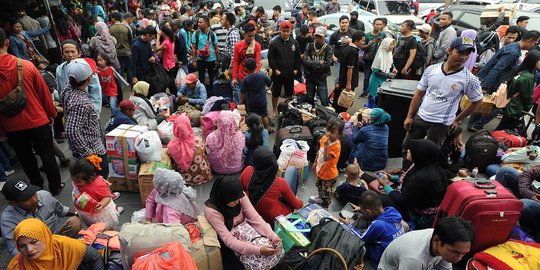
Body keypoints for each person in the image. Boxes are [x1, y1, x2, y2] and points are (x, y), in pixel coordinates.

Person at [402, 37, 482, 168]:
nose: (463, 57)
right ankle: (404, 175)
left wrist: (457, 120)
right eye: (460, 52)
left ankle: (420, 179)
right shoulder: (431, 69)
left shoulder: (469, 78)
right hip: (420, 117)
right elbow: (419, 93)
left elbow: (477, 102)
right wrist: (410, 116)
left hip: (441, 124)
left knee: (431, 155)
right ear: (450, 50)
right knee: (408, 147)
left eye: (467, 54)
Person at [0, 29, 62, 195]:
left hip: (11, 125)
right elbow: (44, 94)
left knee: (26, 158)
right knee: (47, 155)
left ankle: (36, 186)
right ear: (7, 42)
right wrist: (51, 113)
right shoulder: (26, 66)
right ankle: (55, 186)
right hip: (37, 120)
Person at [468, 30, 540, 131]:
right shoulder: (513, 52)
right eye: (534, 43)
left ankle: (472, 125)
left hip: (492, 80)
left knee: (483, 103)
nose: (533, 45)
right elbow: (497, 69)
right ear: (529, 41)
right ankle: (476, 125)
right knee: (497, 107)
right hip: (493, 82)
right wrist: (485, 86)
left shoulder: (513, 47)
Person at [205, 176, 283, 269]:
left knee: (274, 250)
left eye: (238, 199)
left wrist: (273, 236)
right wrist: (258, 250)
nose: (237, 202)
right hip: (231, 242)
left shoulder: (239, 196)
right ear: (224, 198)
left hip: (247, 232)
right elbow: (229, 240)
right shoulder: (212, 211)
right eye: (234, 201)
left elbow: (256, 219)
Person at [1, 178, 82, 256]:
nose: (34, 200)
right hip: (34, 249)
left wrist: (81, 214)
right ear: (13, 203)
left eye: (33, 194)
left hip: (57, 238)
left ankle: (63, 249)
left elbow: (61, 210)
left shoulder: (45, 196)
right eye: (26, 199)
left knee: (75, 222)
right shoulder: (8, 220)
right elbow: (14, 249)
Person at [381, 139, 448, 229]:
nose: (408, 150)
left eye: (412, 149)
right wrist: (392, 178)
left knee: (378, 198)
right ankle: (361, 173)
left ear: (420, 154)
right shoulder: (427, 166)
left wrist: (386, 186)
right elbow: (406, 178)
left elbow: (404, 201)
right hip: (416, 204)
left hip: (416, 214)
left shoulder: (421, 178)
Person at [62, 58, 109, 178]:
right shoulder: (81, 102)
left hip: (85, 146)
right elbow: (71, 131)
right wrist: (88, 154)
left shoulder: (68, 88)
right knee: (100, 177)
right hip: (92, 148)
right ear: (89, 79)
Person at [378, 217, 474, 269]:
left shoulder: (444, 242)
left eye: (464, 253)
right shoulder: (414, 259)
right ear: (437, 241)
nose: (459, 258)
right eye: (455, 252)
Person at [7, 218, 103, 270]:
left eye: (34, 242)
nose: (29, 249)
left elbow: (94, 256)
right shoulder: (16, 267)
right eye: (22, 246)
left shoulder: (63, 245)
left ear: (44, 237)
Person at [342, 191, 406, 266]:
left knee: (355, 240)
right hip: (396, 252)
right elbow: (373, 213)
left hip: (381, 258)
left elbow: (361, 238)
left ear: (369, 211)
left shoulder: (377, 225)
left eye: (363, 211)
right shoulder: (391, 210)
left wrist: (348, 225)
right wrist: (362, 209)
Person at [240, 148, 303, 224]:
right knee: (291, 170)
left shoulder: (248, 171)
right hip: (276, 219)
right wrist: (300, 201)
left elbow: (241, 191)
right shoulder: (280, 183)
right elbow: (297, 205)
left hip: (251, 214)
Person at [70, 157, 121, 229]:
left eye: (77, 181)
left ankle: (112, 236)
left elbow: (107, 197)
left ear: (90, 178)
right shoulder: (78, 181)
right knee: (92, 227)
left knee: (107, 228)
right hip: (87, 211)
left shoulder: (98, 185)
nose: (74, 183)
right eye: (73, 180)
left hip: (99, 213)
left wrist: (101, 205)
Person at [495, 51, 540, 131]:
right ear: (533, 61)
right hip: (516, 108)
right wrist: (527, 107)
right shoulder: (528, 78)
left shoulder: (520, 71)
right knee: (504, 132)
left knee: (501, 128)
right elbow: (527, 97)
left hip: (510, 104)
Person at [56, 40, 103, 116]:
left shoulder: (88, 68)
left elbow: (95, 91)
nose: (70, 55)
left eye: (73, 51)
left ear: (79, 53)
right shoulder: (59, 69)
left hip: (87, 110)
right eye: (66, 52)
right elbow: (60, 89)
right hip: (69, 110)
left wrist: (95, 113)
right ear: (62, 54)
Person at [268, 20, 302, 118]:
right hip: (278, 73)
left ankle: (287, 109)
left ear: (291, 30)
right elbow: (271, 58)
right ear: (280, 30)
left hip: (290, 73)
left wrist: (296, 69)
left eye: (288, 31)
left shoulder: (294, 42)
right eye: (284, 31)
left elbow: (297, 57)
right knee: (275, 93)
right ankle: (274, 110)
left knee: (289, 93)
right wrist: (275, 70)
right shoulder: (274, 43)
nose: (286, 33)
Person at [167, 114, 212, 186]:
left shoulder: (172, 146)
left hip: (185, 179)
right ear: (188, 125)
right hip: (204, 175)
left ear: (176, 128)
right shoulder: (198, 139)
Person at [314, 118, 344, 208]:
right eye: (327, 130)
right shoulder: (324, 138)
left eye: (332, 132)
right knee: (319, 186)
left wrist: (327, 146)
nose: (328, 134)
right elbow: (319, 151)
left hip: (329, 175)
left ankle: (325, 206)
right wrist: (315, 161)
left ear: (339, 134)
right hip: (320, 169)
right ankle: (320, 198)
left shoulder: (336, 146)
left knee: (327, 192)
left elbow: (326, 158)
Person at [333, 30, 364, 113]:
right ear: (357, 40)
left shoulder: (348, 48)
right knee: (344, 103)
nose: (363, 42)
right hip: (347, 82)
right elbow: (350, 69)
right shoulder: (352, 51)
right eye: (362, 40)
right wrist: (348, 84)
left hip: (343, 80)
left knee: (341, 103)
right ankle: (339, 120)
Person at [303, 26, 332, 106]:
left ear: (325, 37)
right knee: (309, 99)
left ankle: (325, 116)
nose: (318, 38)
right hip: (310, 76)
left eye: (320, 36)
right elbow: (305, 61)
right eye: (316, 36)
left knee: (324, 100)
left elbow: (327, 63)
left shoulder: (328, 48)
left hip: (321, 77)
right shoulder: (309, 46)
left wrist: (311, 63)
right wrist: (319, 63)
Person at [233, 23, 262, 103]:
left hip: (252, 77)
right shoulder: (238, 46)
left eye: (253, 36)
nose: (252, 38)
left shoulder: (257, 46)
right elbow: (235, 61)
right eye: (249, 36)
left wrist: (255, 75)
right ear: (244, 34)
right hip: (241, 77)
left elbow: (257, 61)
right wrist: (234, 78)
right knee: (240, 101)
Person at [241, 59, 272, 131]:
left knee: (252, 115)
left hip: (251, 101)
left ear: (246, 68)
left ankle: (253, 130)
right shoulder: (262, 75)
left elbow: (242, 92)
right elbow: (269, 83)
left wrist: (241, 101)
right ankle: (266, 129)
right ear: (256, 66)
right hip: (262, 100)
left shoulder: (245, 79)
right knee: (264, 115)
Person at [192, 15, 220, 95]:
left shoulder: (212, 34)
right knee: (201, 78)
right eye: (198, 22)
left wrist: (218, 60)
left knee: (212, 78)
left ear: (206, 23)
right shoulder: (196, 34)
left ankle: (212, 94)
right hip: (200, 60)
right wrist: (194, 60)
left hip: (211, 60)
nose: (198, 24)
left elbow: (216, 48)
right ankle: (202, 94)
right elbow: (194, 48)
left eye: (201, 22)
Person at [361, 18, 386, 98]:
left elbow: (387, 47)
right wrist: (372, 42)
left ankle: (374, 92)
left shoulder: (383, 35)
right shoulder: (367, 35)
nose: (378, 26)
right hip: (369, 59)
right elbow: (363, 48)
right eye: (377, 24)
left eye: (380, 25)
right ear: (373, 25)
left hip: (379, 60)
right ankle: (365, 92)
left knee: (377, 76)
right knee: (366, 77)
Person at [329, 15, 355, 85]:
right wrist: (333, 57)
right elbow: (329, 47)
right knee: (337, 80)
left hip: (350, 61)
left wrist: (351, 41)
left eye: (346, 22)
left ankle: (347, 96)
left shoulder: (353, 33)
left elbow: (360, 44)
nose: (344, 24)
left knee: (349, 80)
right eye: (342, 23)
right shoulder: (334, 35)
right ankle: (337, 95)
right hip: (338, 61)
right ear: (339, 23)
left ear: (348, 23)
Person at [109, 11, 132, 92]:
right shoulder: (126, 28)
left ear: (114, 18)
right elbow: (130, 40)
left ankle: (120, 86)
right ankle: (131, 85)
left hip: (117, 52)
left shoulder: (110, 29)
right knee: (129, 69)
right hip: (127, 51)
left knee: (120, 69)